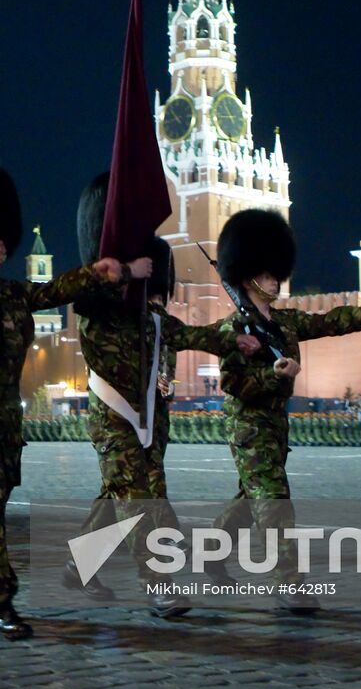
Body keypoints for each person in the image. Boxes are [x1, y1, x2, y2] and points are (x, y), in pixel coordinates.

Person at [0, 160, 150, 640]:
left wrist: (106, 272)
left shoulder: (10, 294)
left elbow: (55, 289)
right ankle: (0, 600)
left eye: (5, 236)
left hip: (6, 412)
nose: (2, 244)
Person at [68, 173, 258, 617]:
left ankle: (78, 564)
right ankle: (158, 586)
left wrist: (238, 337)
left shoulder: (154, 320)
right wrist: (116, 278)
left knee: (119, 495)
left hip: (151, 419)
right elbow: (90, 304)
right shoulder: (99, 314)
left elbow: (195, 334)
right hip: (115, 419)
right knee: (137, 499)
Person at [208, 209, 361, 614]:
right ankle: (289, 584)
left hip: (276, 426)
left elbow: (327, 321)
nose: (275, 281)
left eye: (277, 274)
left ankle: (211, 553)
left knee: (250, 498)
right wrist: (274, 376)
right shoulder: (233, 329)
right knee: (273, 499)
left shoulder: (284, 323)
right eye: (268, 274)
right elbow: (233, 384)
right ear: (248, 275)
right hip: (248, 426)